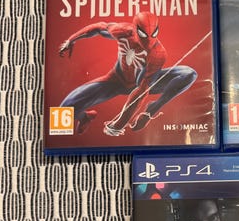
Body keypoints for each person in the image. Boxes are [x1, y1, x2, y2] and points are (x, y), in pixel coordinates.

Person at [58, 11, 197, 135]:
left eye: (153, 34)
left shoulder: (157, 53)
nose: (148, 41)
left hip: (145, 82)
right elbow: (99, 27)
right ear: (135, 29)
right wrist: (71, 40)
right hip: (116, 81)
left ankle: (153, 108)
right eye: (143, 34)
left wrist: (119, 124)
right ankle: (85, 117)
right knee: (62, 111)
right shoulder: (124, 31)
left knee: (189, 74)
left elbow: (142, 90)